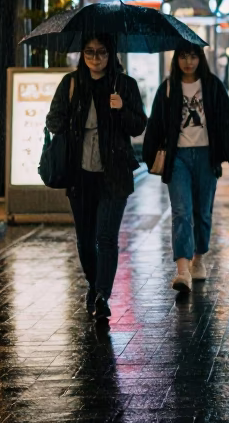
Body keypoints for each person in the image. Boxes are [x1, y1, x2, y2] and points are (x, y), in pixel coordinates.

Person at [46, 34, 148, 322]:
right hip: (79, 174)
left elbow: (139, 125)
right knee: (85, 241)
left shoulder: (124, 85)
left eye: (101, 52)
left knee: (107, 237)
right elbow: (53, 120)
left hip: (113, 173)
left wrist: (121, 109)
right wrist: (74, 119)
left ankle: (103, 294)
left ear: (110, 54)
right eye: (89, 52)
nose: (95, 58)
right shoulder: (72, 84)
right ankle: (93, 285)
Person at [143, 43, 229, 293]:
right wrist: (148, 156)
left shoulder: (212, 86)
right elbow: (155, 123)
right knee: (181, 211)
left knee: (202, 212)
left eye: (193, 56)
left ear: (200, 59)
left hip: (207, 155)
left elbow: (226, 121)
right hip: (177, 158)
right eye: (183, 56)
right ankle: (182, 271)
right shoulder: (167, 87)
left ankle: (199, 259)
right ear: (176, 59)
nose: (188, 62)